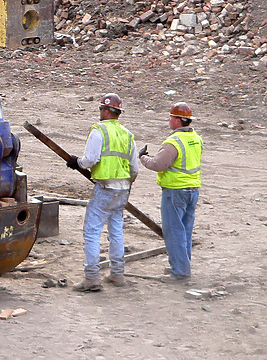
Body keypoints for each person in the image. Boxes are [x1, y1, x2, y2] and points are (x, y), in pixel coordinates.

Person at [67, 93, 139, 292]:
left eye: (101, 108)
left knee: (92, 232)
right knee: (116, 231)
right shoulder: (127, 134)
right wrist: (126, 184)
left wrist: (77, 162)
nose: (99, 112)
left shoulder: (99, 131)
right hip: (122, 189)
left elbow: (90, 159)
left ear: (106, 110)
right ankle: (117, 274)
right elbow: (134, 168)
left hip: (105, 188)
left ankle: (92, 278)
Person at [139, 101, 203, 280]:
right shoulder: (196, 138)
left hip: (175, 191)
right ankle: (182, 266)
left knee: (174, 231)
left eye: (171, 117)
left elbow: (158, 164)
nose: (169, 119)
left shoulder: (173, 142)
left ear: (177, 120)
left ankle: (180, 271)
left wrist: (143, 157)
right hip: (193, 189)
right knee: (185, 230)